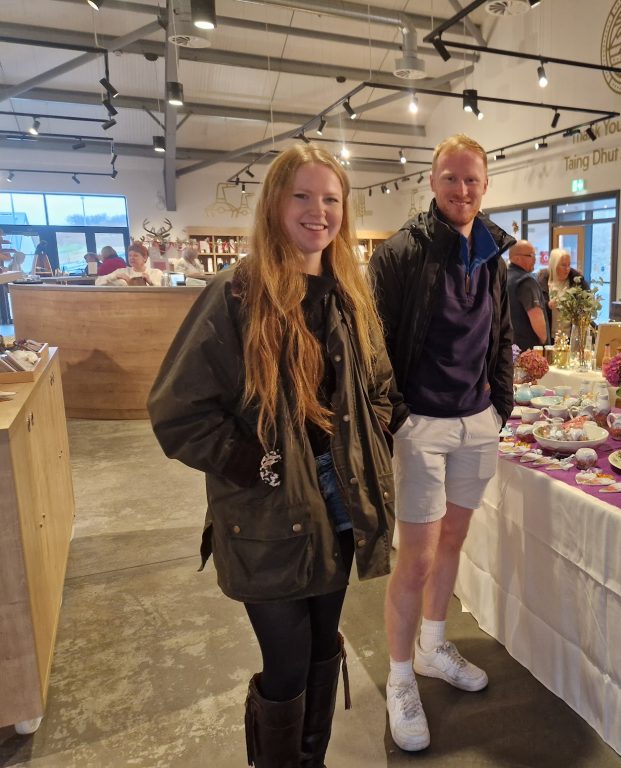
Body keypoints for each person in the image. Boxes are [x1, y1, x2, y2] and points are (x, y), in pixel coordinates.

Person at [148, 144, 397, 768]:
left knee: (322, 646)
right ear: (275, 204)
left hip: (340, 501)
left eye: (331, 199)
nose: (319, 212)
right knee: (285, 664)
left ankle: (310, 760)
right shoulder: (235, 294)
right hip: (267, 510)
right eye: (303, 197)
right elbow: (178, 410)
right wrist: (252, 463)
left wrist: (369, 441)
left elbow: (383, 388)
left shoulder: (348, 295)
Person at [367, 133, 515, 753]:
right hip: (422, 424)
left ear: (485, 186)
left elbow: (501, 333)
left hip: (476, 420)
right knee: (417, 558)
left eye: (472, 181)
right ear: (433, 182)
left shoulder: (493, 256)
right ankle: (401, 677)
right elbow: (376, 341)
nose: (462, 190)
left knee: (454, 540)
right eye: (451, 179)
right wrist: (399, 415)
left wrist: (500, 407)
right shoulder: (402, 252)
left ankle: (433, 645)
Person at [538, 247, 589, 342]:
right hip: (549, 336)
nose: (567, 269)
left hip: (571, 336)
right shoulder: (542, 282)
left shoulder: (577, 282)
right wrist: (548, 305)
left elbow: (586, 304)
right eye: (563, 265)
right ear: (554, 265)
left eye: (569, 265)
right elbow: (536, 307)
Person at [507, 240, 548, 350]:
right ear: (516, 258)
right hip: (528, 350)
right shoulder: (526, 282)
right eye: (531, 255)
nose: (535, 259)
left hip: (508, 347)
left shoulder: (503, 278)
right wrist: (544, 342)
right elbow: (536, 316)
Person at [95, 242, 164, 286]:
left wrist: (150, 282)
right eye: (130, 255)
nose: (131, 258)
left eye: (135, 255)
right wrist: (115, 277)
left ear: (145, 258)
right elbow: (98, 282)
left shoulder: (155, 273)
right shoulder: (121, 271)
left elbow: (163, 291)